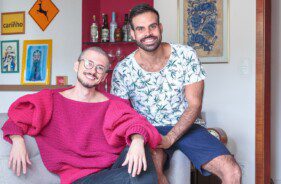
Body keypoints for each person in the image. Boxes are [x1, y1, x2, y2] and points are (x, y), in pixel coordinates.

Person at [111, 4, 242, 184]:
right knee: (155, 177)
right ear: (133, 34)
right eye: (140, 28)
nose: (148, 33)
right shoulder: (122, 70)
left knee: (233, 171)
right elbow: (123, 115)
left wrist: (170, 137)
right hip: (149, 130)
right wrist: (138, 138)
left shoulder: (186, 55)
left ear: (160, 27)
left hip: (188, 128)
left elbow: (195, 104)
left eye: (152, 26)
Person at [2, 47, 161, 184]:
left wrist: (138, 140)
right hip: (82, 179)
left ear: (104, 77)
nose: (93, 71)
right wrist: (17, 141)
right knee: (139, 177)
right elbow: (16, 117)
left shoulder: (112, 103)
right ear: (77, 66)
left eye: (100, 68)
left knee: (140, 143)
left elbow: (138, 123)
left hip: (113, 169)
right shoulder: (51, 99)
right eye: (89, 64)